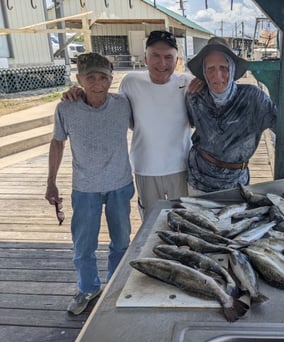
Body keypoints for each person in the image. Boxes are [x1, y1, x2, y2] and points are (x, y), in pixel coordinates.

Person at [63, 31, 199, 219]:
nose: (162, 63)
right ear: (145, 58)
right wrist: (78, 92)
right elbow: (110, 105)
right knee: (151, 223)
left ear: (177, 60)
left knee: (185, 221)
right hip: (144, 168)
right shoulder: (130, 81)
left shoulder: (189, 82)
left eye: (169, 57)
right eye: (155, 56)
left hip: (182, 167)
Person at [45, 53, 134, 315]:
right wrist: (51, 182)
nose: (98, 83)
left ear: (111, 79)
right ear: (79, 79)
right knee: (84, 245)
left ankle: (117, 286)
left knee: (121, 241)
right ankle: (87, 288)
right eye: (90, 78)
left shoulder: (123, 104)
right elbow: (57, 142)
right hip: (84, 188)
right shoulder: (66, 107)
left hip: (120, 183)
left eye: (103, 77)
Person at [185, 37, 277, 193]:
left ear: (233, 69)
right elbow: (191, 122)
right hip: (198, 180)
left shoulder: (253, 97)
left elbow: (282, 126)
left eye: (224, 67)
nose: (217, 75)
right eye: (210, 69)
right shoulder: (194, 96)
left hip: (237, 184)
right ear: (204, 72)